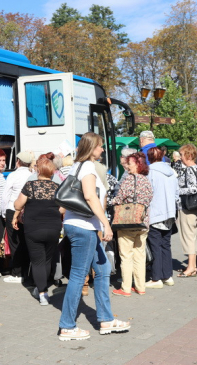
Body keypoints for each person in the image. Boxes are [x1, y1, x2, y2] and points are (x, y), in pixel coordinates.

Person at [58, 132, 130, 341]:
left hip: (78, 225)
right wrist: (106, 224)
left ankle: (106, 319)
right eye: (99, 146)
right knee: (79, 275)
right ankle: (67, 326)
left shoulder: (76, 166)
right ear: (91, 147)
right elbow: (90, 196)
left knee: (103, 268)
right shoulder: (88, 167)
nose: (102, 149)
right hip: (84, 227)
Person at [12, 157, 64, 305]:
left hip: (33, 228)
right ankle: (43, 289)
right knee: (47, 260)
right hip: (53, 227)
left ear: (38, 170)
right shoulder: (57, 187)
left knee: (37, 261)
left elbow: (18, 204)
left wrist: (18, 210)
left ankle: (42, 293)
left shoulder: (30, 186)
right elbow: (63, 208)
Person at [111, 152, 153, 297]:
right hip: (143, 221)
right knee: (140, 255)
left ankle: (126, 288)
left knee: (126, 255)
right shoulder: (146, 181)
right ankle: (140, 287)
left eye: (129, 163)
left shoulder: (128, 180)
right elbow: (150, 198)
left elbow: (119, 198)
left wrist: (111, 201)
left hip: (127, 222)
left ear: (136, 164)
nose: (127, 166)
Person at [146, 147, 179, 288]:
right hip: (170, 213)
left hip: (155, 212)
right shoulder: (171, 172)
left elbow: (148, 193)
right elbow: (177, 193)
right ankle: (167, 275)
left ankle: (156, 278)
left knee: (155, 245)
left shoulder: (150, 172)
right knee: (166, 244)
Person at [2, 151, 34, 283]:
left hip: (12, 209)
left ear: (18, 161)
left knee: (14, 242)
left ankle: (16, 273)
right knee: (25, 242)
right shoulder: (32, 175)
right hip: (28, 212)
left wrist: (4, 213)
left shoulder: (13, 175)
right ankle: (26, 272)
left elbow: (6, 195)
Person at [177, 144, 197, 278]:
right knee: (190, 235)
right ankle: (192, 265)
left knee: (188, 236)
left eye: (181, 155)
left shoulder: (190, 169)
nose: (180, 157)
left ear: (188, 155)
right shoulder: (195, 168)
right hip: (192, 207)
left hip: (188, 207)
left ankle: (191, 266)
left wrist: (177, 191)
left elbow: (193, 189)